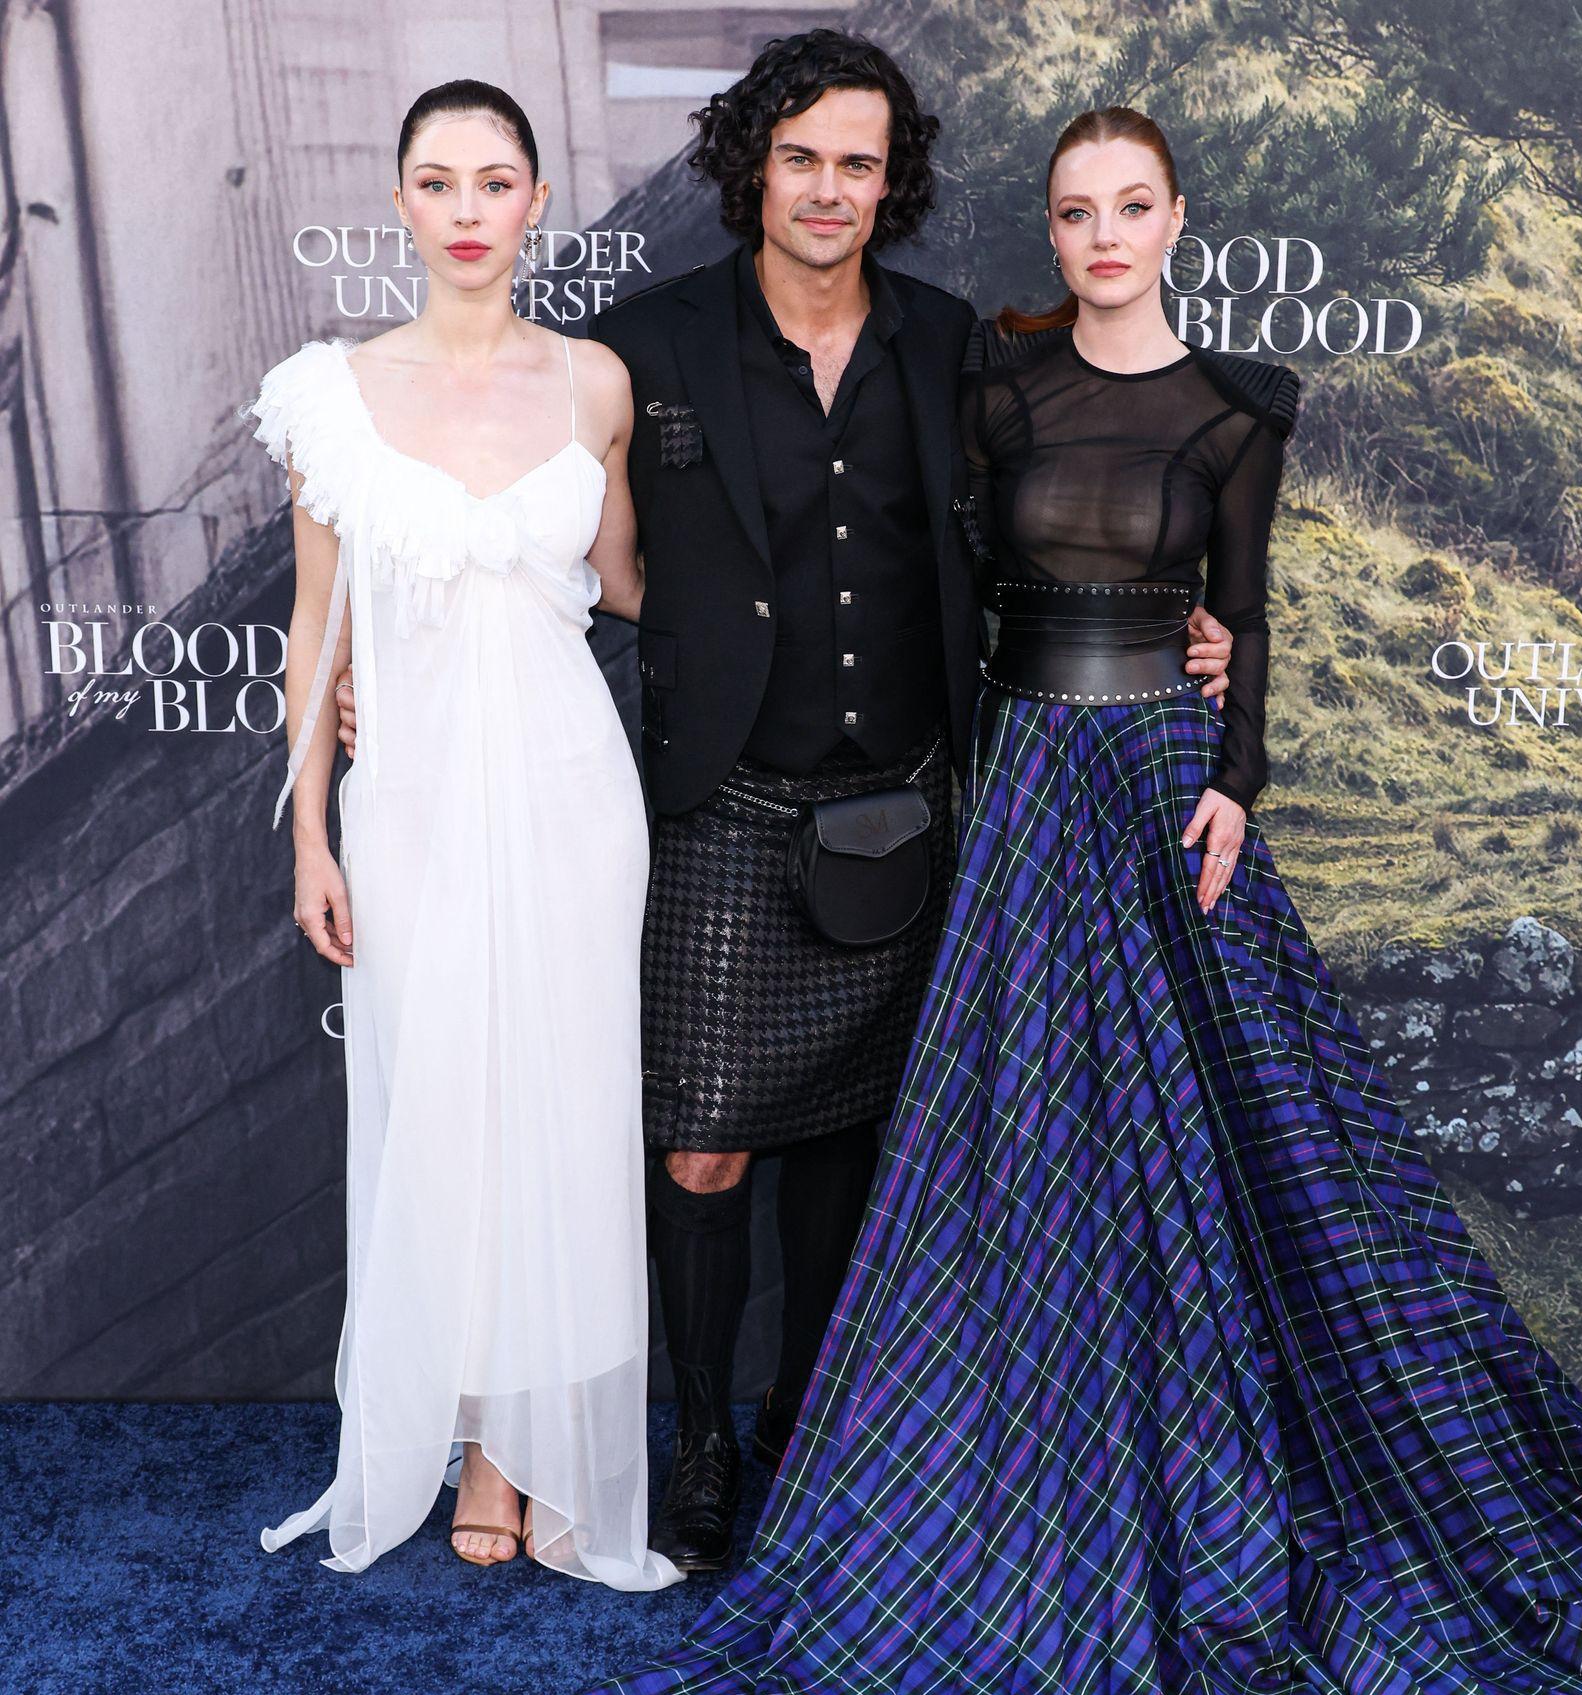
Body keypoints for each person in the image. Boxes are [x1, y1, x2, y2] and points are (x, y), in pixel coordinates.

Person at [538, 108, 1582, 1695]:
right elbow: (911, 567)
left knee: (1244, 1147)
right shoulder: (991, 388)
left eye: (1131, 208)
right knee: (1020, 1139)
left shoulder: (1243, 405)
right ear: (1051, 231)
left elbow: (1242, 609)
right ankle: (955, 1469)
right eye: (1074, 212)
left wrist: (1234, 773)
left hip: (1167, 789)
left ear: (1178, 219)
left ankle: (1245, 1455)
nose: (1103, 235)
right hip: (1023, 787)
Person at [338, 31, 1238, 1574]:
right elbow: (512, 527)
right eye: (803, 157)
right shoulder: (643, 347)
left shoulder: (952, 345)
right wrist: (382, 674)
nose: (829, 188)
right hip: (719, 803)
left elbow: (1056, 509)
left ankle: (802, 1428)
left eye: (858, 164)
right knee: (702, 1150)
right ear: (755, 166)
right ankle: (699, 1444)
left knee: (848, 1151)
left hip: (903, 803)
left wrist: (1174, 623)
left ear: (893, 186)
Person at [246, 80, 682, 1590]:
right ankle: (462, 1420)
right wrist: (312, 838)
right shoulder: (331, 397)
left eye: (495, 182)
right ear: (400, 206)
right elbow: (314, 630)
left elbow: (632, 583)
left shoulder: (595, 384)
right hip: (413, 804)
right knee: (442, 1116)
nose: (468, 210)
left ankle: (521, 1449)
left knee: (563, 1115)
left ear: (537, 202)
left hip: (573, 797)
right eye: (438, 183)